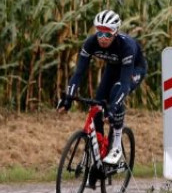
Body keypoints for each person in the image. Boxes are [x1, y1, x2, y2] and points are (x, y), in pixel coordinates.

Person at [56, 10, 147, 166]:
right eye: (99, 33)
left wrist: (112, 109)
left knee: (116, 93)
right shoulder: (90, 43)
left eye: (107, 35)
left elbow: (125, 85)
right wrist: (68, 99)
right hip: (113, 68)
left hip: (133, 69)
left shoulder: (126, 47)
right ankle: (101, 148)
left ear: (116, 33)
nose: (102, 39)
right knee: (97, 104)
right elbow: (78, 73)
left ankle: (117, 146)